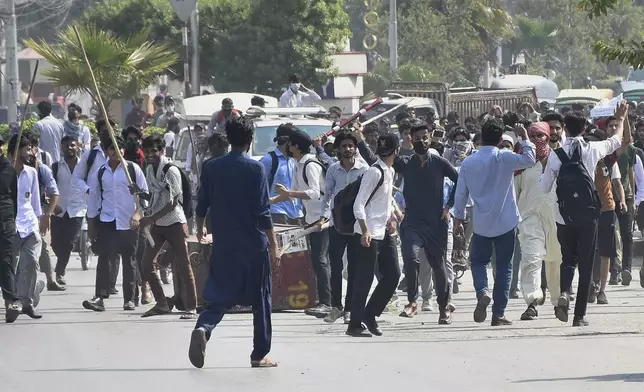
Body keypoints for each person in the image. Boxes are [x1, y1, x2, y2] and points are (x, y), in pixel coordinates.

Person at [189, 115, 280, 369]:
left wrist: (200, 229)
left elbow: (202, 203)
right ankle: (259, 354)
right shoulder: (255, 169)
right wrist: (273, 245)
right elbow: (263, 212)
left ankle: (204, 328)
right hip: (253, 244)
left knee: (219, 292)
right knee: (261, 299)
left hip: (224, 243)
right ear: (250, 140)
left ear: (228, 139)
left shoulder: (211, 167)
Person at [540, 103, 627, 327]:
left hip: (564, 216)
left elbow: (544, 188)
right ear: (584, 129)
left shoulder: (556, 155)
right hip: (589, 215)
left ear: (564, 129)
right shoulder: (593, 148)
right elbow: (617, 140)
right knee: (587, 264)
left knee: (568, 260)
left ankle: (565, 291)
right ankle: (579, 316)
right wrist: (622, 118)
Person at [454, 119, 536, 326]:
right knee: (504, 267)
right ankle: (498, 313)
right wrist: (524, 137)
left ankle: (482, 291)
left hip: (481, 223)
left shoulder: (468, 162)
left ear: (480, 138)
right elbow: (530, 159)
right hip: (506, 221)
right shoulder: (504, 157)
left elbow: (461, 194)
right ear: (500, 140)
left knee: (479, 262)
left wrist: (458, 220)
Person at [83, 135, 148, 312]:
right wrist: (91, 225)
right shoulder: (100, 172)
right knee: (104, 260)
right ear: (106, 151)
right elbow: (94, 201)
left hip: (129, 222)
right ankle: (100, 297)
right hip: (107, 220)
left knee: (130, 260)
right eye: (111, 148)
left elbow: (145, 196)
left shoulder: (132, 170)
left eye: (118, 148)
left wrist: (137, 213)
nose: (115, 152)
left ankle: (130, 298)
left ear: (123, 150)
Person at [346, 134, 402, 337]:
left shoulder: (390, 171)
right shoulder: (374, 172)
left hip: (384, 232)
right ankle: (354, 324)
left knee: (393, 275)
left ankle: (370, 314)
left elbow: (384, 201)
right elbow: (358, 204)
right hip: (367, 233)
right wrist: (365, 230)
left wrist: (392, 217)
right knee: (364, 279)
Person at [138, 135, 198, 320]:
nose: (150, 155)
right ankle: (162, 303)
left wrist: (151, 218)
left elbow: (173, 202)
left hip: (175, 223)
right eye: (147, 151)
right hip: (158, 224)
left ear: (162, 151)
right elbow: (153, 196)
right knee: (146, 264)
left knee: (183, 264)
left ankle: (191, 307)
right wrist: (139, 192)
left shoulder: (170, 170)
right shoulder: (148, 169)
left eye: (154, 151)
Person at [275, 130, 331, 318]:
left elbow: (314, 192)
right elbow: (290, 193)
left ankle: (327, 302)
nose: (288, 147)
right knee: (316, 260)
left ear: (296, 147)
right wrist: (268, 201)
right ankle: (320, 299)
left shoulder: (309, 165)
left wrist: (289, 194)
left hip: (323, 219)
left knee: (321, 261)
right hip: (310, 218)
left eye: (290, 144)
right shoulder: (299, 164)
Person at [319, 131, 369, 324]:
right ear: (338, 149)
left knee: (354, 268)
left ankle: (349, 308)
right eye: (344, 146)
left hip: (356, 225)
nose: (347, 149)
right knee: (336, 266)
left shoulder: (364, 170)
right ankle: (336, 306)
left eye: (350, 146)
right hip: (336, 225)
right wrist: (324, 216)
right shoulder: (333, 170)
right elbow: (327, 195)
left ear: (355, 148)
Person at [514, 122, 562, 321]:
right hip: (529, 218)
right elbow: (514, 193)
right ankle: (532, 302)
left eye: (540, 136)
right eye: (531, 137)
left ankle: (559, 301)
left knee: (555, 261)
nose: (535, 140)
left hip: (556, 219)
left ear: (548, 137)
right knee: (531, 259)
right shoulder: (521, 165)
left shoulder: (558, 160)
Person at [584, 128, 624, 305]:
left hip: (607, 209)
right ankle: (591, 285)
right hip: (587, 210)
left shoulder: (608, 160)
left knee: (606, 252)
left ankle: (602, 290)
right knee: (588, 250)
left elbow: (625, 142)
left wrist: (622, 120)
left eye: (594, 141)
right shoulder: (583, 158)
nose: (591, 144)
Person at [8, 133, 45, 319]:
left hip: (29, 224)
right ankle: (12, 303)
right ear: (15, 151)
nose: (31, 152)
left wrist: (39, 224)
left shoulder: (31, 172)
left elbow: (35, 202)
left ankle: (28, 302)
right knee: (11, 267)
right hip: (9, 225)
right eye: (27, 148)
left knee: (31, 263)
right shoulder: (4, 172)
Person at [605, 116, 636, 286]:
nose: (613, 128)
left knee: (627, 234)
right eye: (611, 126)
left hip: (626, 197)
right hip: (606, 198)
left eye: (616, 126)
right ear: (606, 129)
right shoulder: (602, 149)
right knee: (611, 236)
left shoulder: (629, 150)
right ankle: (614, 271)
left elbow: (630, 173)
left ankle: (627, 269)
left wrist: (633, 197)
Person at [50, 136, 85, 286]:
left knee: (69, 243)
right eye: (66, 146)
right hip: (59, 210)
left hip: (77, 210)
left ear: (78, 147)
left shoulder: (84, 167)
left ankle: (59, 272)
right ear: (61, 148)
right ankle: (61, 261)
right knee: (56, 244)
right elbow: (50, 187)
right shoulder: (56, 167)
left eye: (72, 145)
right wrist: (51, 205)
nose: (69, 148)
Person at [260, 123, 304, 225]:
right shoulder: (268, 160)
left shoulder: (296, 160)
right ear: (288, 142)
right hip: (277, 214)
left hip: (297, 214)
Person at [0, 134, 21, 323]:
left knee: (6, 261)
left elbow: (14, 199)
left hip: (5, 221)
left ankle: (10, 303)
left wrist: (12, 221)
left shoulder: (9, 169)